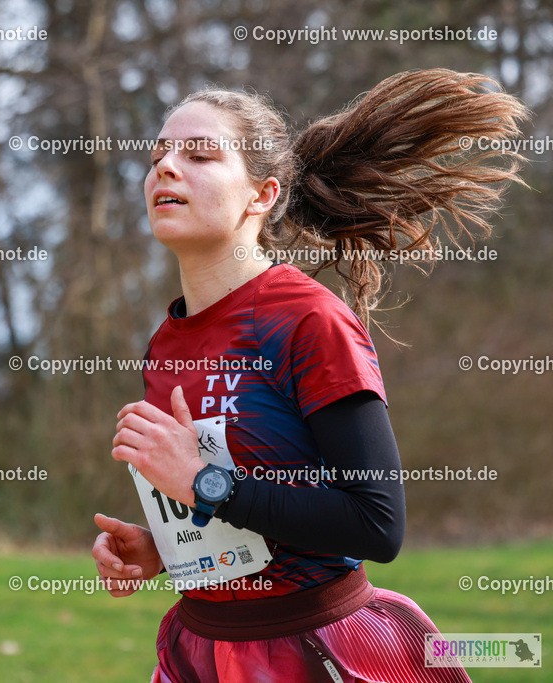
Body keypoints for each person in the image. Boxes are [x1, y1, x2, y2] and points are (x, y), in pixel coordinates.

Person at [91, 69, 528, 682]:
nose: (165, 167)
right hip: (200, 649)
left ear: (261, 195)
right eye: (158, 154)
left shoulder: (308, 320)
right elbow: (236, 521)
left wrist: (206, 483)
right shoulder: (166, 342)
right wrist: (165, 549)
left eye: (199, 155)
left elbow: (376, 524)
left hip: (315, 649)